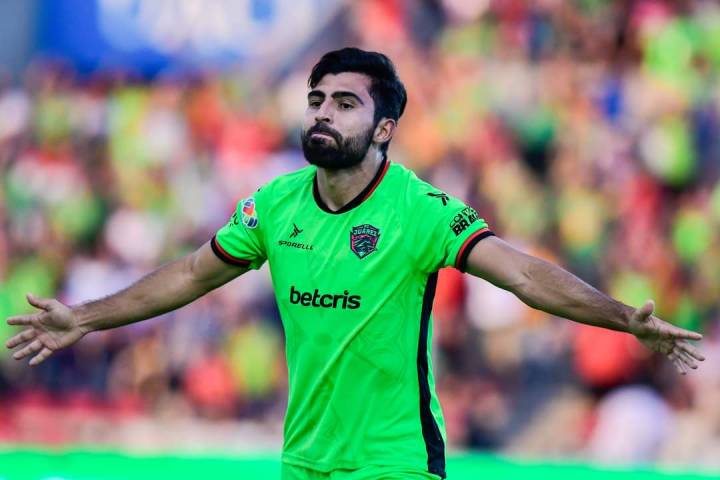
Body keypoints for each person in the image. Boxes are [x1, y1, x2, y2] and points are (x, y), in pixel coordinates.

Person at [5, 48, 705, 480]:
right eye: (317, 100)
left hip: (394, 461)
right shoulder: (274, 204)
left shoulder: (420, 210)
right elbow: (191, 275)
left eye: (345, 103)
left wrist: (623, 318)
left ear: (383, 128)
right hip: (304, 460)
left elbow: (521, 273)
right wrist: (85, 318)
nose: (323, 113)